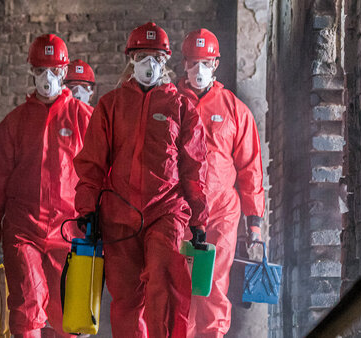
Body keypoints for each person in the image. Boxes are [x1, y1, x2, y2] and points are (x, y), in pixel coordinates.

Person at [73, 22, 209, 338]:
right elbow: (92, 164)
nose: (149, 63)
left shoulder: (181, 107)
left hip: (166, 212)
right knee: (126, 300)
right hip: (119, 216)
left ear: (166, 60)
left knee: (167, 284)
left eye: (156, 56)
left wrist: (199, 218)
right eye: (142, 55)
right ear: (130, 58)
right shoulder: (111, 105)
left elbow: (194, 168)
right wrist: (87, 210)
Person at [0, 34, 93, 338]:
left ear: (65, 72)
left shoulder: (84, 120)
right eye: (41, 70)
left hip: (68, 231)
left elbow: (100, 173)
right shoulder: (14, 124)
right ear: (31, 71)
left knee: (69, 315)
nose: (47, 78)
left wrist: (100, 219)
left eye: (54, 70)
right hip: (23, 230)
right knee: (27, 308)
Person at [177, 29, 266, 338]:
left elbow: (249, 168)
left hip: (221, 214)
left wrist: (253, 222)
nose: (198, 70)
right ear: (184, 63)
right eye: (193, 62)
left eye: (205, 63)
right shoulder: (172, 105)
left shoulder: (234, 110)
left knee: (214, 285)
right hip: (181, 213)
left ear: (215, 64)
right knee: (182, 287)